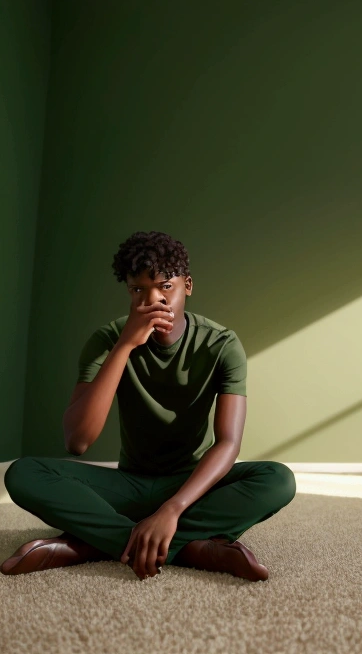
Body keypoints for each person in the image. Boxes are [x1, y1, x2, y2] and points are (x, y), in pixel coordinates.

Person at [1, 231, 295, 581]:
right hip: (128, 486)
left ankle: (91, 546)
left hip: (191, 486)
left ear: (187, 285)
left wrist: (172, 508)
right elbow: (77, 441)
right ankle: (193, 549)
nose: (153, 300)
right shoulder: (108, 340)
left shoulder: (221, 344)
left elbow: (229, 443)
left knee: (278, 480)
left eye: (165, 287)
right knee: (23, 473)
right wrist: (125, 346)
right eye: (139, 290)